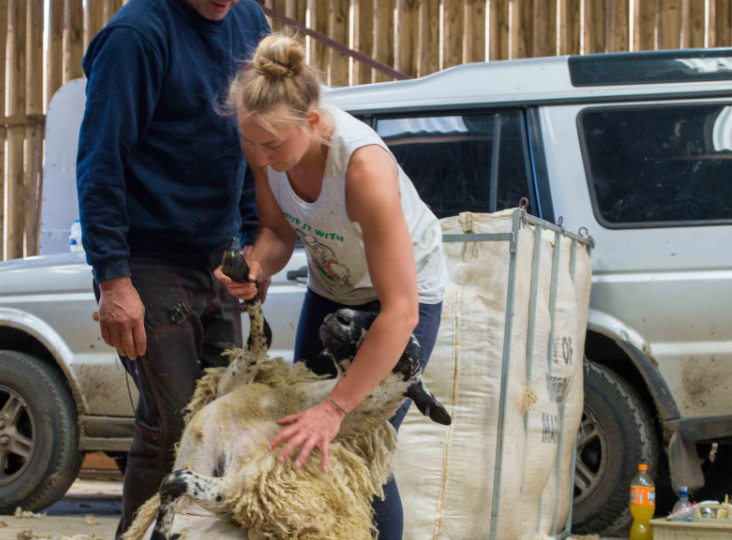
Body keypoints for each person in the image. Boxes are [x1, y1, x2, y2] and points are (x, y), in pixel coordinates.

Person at [214, 34, 447, 539]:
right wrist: (257, 268)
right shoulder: (266, 147)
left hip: (402, 299)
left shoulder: (362, 170)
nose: (260, 155)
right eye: (250, 142)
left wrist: (335, 408)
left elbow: (400, 311)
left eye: (273, 145)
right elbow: (277, 232)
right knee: (296, 441)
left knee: (357, 448)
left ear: (314, 121)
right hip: (333, 288)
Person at [75, 0, 269, 536]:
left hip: (218, 252)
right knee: (174, 424)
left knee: (225, 421)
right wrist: (114, 277)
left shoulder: (250, 23)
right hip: (148, 257)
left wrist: (253, 242)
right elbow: (100, 159)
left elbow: (252, 142)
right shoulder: (137, 36)